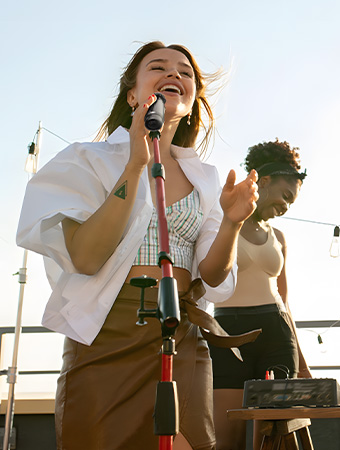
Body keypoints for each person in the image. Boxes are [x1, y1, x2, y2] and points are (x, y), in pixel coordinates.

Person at [16, 41, 258, 450]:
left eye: (185, 72)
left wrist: (232, 222)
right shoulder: (87, 160)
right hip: (105, 333)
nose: (174, 74)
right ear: (132, 93)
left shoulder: (207, 178)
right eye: (158, 67)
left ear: (193, 96)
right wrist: (134, 166)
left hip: (181, 331)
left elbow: (215, 276)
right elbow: (87, 257)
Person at [209, 139, 311, 450]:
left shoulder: (277, 236)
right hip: (227, 333)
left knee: (271, 437)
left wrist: (303, 364)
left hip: (276, 335)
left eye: (292, 202)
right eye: (285, 195)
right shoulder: (223, 221)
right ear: (263, 182)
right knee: (227, 438)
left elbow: (284, 300)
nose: (287, 205)